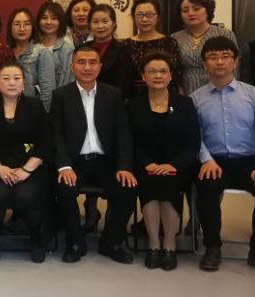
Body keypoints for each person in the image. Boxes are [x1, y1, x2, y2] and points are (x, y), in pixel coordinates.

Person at [51, 44, 136, 264]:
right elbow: (56, 134)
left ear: (99, 67)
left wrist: (124, 167)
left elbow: (123, 133)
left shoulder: (113, 94)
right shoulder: (61, 95)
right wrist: (64, 166)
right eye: (81, 62)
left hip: (106, 161)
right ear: (72, 67)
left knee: (127, 189)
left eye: (92, 62)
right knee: (63, 188)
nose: (87, 67)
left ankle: (112, 243)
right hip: (75, 162)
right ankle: (75, 243)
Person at [128, 52, 200, 271]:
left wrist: (175, 165)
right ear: (144, 76)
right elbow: (128, 141)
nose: (158, 75)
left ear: (170, 76)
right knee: (149, 182)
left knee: (170, 183)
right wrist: (146, 163)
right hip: (145, 164)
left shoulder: (185, 104)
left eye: (163, 71)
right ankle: (153, 244)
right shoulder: (133, 105)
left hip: (177, 165)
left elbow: (193, 142)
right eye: (152, 71)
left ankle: (169, 246)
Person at [0, 60, 52, 262]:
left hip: (30, 165)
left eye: (17, 78)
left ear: (23, 82)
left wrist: (26, 170)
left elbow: (45, 142)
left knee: (28, 192)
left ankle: (36, 242)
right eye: (6, 78)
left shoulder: (35, 106)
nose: (12, 83)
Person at [190, 37, 255, 271]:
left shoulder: (252, 94)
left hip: (249, 160)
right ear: (205, 64)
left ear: (235, 62)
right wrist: (206, 160)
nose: (219, 62)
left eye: (225, 56)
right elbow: (194, 137)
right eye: (213, 57)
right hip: (213, 161)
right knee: (206, 189)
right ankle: (212, 247)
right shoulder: (195, 99)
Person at [172, 0, 238, 95]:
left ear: (207, 11)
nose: (191, 13)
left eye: (196, 9)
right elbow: (174, 69)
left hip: (220, 86)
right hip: (187, 88)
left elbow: (234, 65)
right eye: (185, 11)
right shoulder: (175, 38)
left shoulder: (224, 34)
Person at [125, 0, 181, 97]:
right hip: (134, 96)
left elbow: (176, 73)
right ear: (134, 18)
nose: (144, 19)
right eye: (139, 15)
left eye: (149, 14)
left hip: (165, 95)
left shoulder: (169, 43)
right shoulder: (126, 44)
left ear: (158, 17)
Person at [7, 7, 56, 111]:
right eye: (17, 24)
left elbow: (47, 90)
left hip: (33, 110)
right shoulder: (5, 52)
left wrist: (42, 114)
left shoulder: (41, 52)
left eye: (27, 24)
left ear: (32, 27)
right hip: (8, 109)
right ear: (10, 27)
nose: (22, 28)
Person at [88, 4, 134, 98]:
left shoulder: (123, 49)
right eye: (95, 22)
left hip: (112, 100)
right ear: (89, 24)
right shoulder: (83, 48)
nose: (100, 26)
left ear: (114, 23)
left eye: (105, 21)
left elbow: (124, 83)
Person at [34, 2, 74, 87]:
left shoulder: (68, 50)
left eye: (54, 18)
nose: (48, 22)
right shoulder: (33, 48)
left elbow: (68, 82)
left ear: (61, 21)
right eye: (44, 18)